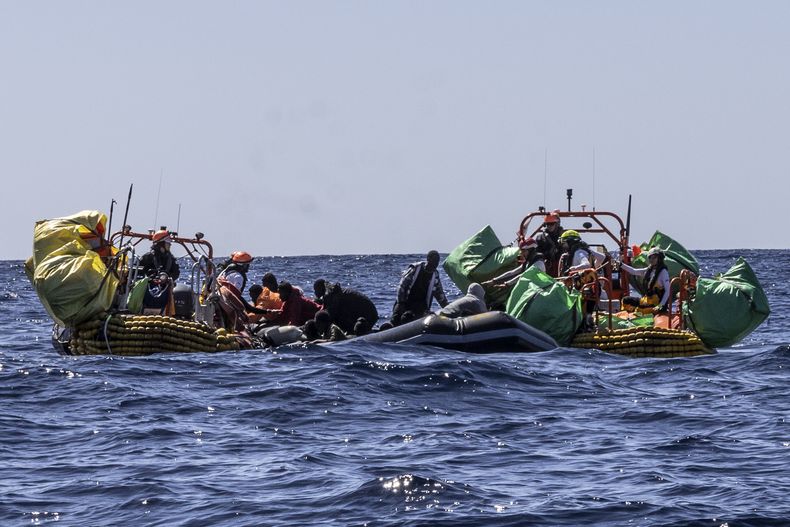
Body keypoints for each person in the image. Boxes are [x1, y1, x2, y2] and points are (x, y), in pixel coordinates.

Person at [391, 250, 449, 325]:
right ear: (428, 259)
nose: (435, 264)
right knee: (397, 317)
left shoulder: (435, 276)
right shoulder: (415, 268)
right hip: (405, 302)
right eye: (433, 260)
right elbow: (402, 285)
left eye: (437, 261)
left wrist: (448, 308)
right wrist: (400, 302)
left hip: (420, 307)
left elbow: (440, 294)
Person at [213, 251, 267, 331]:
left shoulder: (226, 272)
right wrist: (261, 311)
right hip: (224, 306)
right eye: (247, 265)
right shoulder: (238, 277)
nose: (248, 267)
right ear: (243, 265)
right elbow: (233, 296)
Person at [482, 237, 546, 292]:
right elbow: (512, 272)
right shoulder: (528, 263)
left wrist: (507, 284)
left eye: (524, 251)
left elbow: (523, 276)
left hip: (540, 291)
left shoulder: (539, 264)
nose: (522, 253)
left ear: (531, 250)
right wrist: (493, 281)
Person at [619, 246, 671, 313]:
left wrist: (660, 305)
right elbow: (634, 271)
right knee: (625, 300)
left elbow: (668, 290)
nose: (651, 260)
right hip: (647, 300)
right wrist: (621, 264)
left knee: (640, 310)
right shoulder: (649, 270)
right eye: (650, 258)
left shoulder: (663, 272)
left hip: (656, 304)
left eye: (654, 257)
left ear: (660, 258)